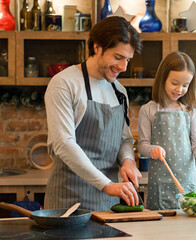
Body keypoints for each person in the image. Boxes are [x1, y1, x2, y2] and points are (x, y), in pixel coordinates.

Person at [44, 16, 142, 211]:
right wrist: (107, 185)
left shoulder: (119, 92)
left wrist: (128, 161)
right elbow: (64, 144)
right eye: (118, 57)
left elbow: (124, 139)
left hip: (109, 203)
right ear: (97, 47)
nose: (123, 67)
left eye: (128, 60)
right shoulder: (65, 84)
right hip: (69, 201)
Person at [138, 51, 196, 210]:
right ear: (163, 78)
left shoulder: (190, 111)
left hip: (187, 182)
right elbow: (143, 146)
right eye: (174, 83)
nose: (179, 89)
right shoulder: (148, 110)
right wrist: (153, 150)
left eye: (185, 85)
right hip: (159, 183)